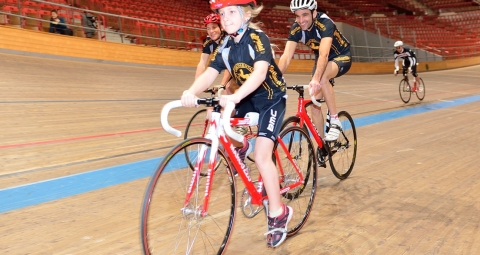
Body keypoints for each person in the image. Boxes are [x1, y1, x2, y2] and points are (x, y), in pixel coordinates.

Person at [181, 0, 292, 248]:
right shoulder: (226, 44)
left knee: (264, 157)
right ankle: (246, 145)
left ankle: (278, 213)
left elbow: (261, 73)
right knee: (220, 120)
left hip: (271, 99)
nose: (226, 17)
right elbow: (210, 72)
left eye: (232, 12)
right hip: (247, 96)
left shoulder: (258, 37)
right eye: (222, 13)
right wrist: (189, 91)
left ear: (246, 14)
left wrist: (234, 96)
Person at [278, 0, 352, 142]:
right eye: (297, 16)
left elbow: (324, 54)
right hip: (321, 60)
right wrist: (276, 78)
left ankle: (335, 121)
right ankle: (322, 143)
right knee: (314, 106)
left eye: (305, 15)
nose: (301, 20)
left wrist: (316, 79)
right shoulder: (296, 28)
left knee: (322, 78)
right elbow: (286, 56)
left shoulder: (325, 23)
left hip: (340, 56)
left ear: (314, 13)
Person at [196, 13, 234, 93]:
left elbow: (230, 65)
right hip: (231, 67)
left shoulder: (229, 39)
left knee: (228, 89)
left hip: (240, 67)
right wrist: (197, 86)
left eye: (214, 27)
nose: (211, 31)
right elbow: (202, 63)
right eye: (208, 28)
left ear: (221, 27)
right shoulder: (208, 42)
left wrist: (222, 84)